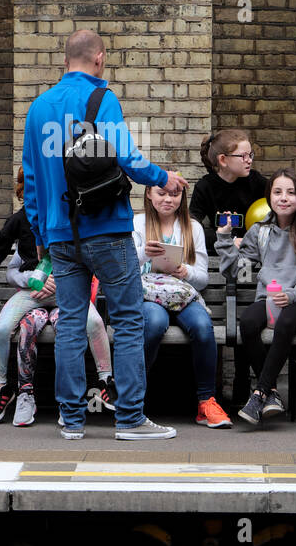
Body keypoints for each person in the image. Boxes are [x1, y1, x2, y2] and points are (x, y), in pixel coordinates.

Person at [22, 29, 188, 441]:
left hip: (61, 236)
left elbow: (31, 182)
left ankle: (71, 420)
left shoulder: (38, 108)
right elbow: (128, 158)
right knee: (130, 320)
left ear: (66, 60)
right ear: (99, 57)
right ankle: (130, 419)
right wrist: (164, 177)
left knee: (72, 324)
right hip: (108, 230)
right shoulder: (102, 99)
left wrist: (43, 234)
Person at [0, 166, 116, 426]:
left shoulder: (69, 215)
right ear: (23, 192)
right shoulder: (19, 220)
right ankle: (1, 386)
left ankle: (105, 380)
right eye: (32, 190)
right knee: (0, 329)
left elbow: (87, 256)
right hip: (33, 292)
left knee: (96, 323)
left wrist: (63, 282)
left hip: (68, 290)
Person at [217, 168, 296, 426]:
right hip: (268, 300)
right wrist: (225, 239)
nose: (284, 198)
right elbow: (239, 271)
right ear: (269, 196)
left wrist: (293, 294)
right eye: (277, 192)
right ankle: (271, 393)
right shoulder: (260, 231)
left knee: (286, 323)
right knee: (247, 323)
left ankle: (259, 393)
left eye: (291, 192)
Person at [134, 183, 232, 428]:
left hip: (182, 294)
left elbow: (202, 278)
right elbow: (124, 270)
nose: (169, 199)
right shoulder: (136, 223)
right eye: (162, 193)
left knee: (202, 325)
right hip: (150, 294)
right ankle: (134, 399)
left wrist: (184, 271)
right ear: (149, 193)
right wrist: (146, 254)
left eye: (175, 194)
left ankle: (206, 402)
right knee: (154, 323)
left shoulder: (193, 227)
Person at [189, 128, 270, 253]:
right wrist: (228, 239)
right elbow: (191, 228)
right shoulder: (205, 187)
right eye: (243, 156)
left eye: (250, 155)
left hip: (253, 253)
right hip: (220, 253)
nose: (249, 160)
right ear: (222, 160)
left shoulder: (256, 181)